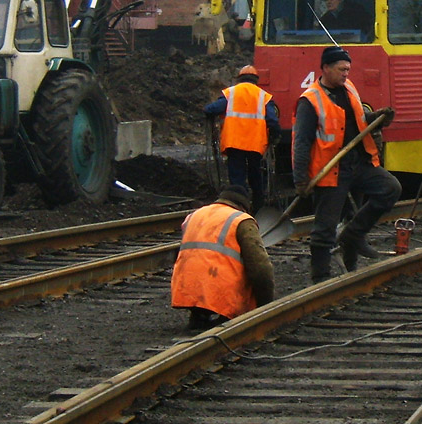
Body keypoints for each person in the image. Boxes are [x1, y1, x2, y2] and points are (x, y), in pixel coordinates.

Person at [292, 45, 399, 282]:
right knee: (325, 227)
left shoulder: (349, 88)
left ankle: (353, 235)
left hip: (359, 163)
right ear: (326, 68)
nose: (346, 74)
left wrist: (377, 119)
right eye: (341, 69)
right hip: (331, 170)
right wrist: (300, 179)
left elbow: (357, 123)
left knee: (390, 188)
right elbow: (301, 142)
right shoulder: (310, 101)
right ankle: (320, 278)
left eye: (348, 69)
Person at [170, 185, 276, 330]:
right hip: (220, 291)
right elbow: (260, 269)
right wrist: (266, 305)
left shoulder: (194, 215)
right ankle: (226, 314)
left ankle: (199, 315)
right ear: (243, 205)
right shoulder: (241, 220)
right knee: (246, 266)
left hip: (186, 287)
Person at [204, 65, 280, 211]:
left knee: (237, 178)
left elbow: (212, 109)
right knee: (256, 176)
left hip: (234, 143)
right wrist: (275, 136)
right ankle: (258, 208)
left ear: (239, 79)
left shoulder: (231, 93)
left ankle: (238, 207)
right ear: (256, 80)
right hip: (255, 145)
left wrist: (207, 112)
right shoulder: (264, 96)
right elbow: (272, 120)